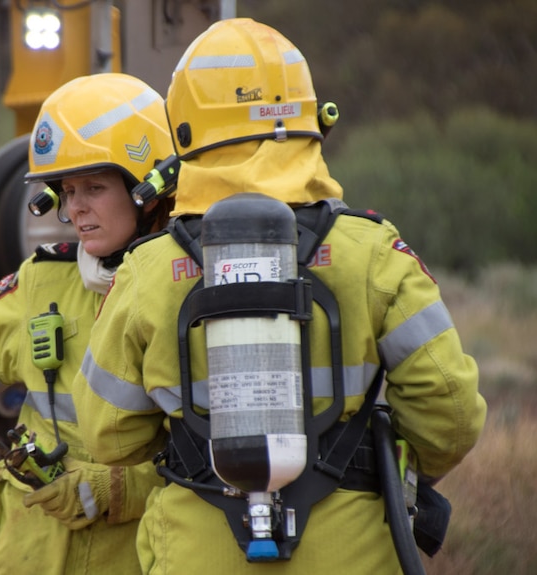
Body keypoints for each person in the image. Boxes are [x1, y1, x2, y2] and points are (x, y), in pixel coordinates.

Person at [72, 18, 487, 574]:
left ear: (186, 133)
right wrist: (379, 468)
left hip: (197, 553)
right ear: (309, 119)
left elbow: (107, 434)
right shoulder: (371, 252)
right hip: (351, 554)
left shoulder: (146, 270)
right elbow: (451, 415)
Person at [0, 73, 174, 574]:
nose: (76, 208)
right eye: (67, 191)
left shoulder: (187, 292)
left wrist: (122, 490)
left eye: (95, 187)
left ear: (150, 190)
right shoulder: (44, 281)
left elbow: (230, 461)